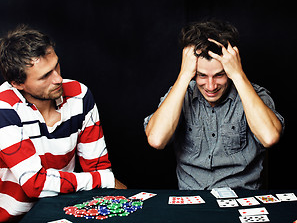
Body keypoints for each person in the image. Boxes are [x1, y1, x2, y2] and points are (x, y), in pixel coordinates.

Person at [0, 25, 126, 222]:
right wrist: (104, 180)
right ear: (17, 83)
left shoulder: (79, 94)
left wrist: (104, 184)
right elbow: (35, 184)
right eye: (45, 76)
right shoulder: (4, 106)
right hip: (14, 219)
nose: (58, 79)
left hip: (63, 212)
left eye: (56, 66)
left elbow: (97, 168)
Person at [144, 19, 284, 190]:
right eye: (202, 75)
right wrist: (184, 75)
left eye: (219, 75)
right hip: (193, 204)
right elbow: (157, 139)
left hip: (241, 201)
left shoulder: (255, 94)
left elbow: (269, 137)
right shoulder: (181, 93)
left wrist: (238, 75)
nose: (211, 86)